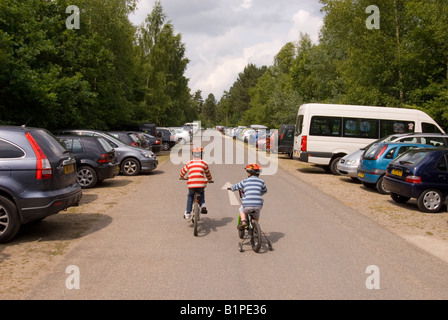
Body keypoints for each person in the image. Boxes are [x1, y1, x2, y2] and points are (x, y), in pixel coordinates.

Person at [179, 147, 213, 220]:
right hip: (201, 184)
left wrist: (182, 177)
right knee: (202, 191)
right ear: (201, 155)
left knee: (190, 196)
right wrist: (210, 180)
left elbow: (182, 172)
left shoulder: (189, 163)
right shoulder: (204, 163)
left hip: (191, 185)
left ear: (193, 155)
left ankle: (188, 213)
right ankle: (203, 205)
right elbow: (208, 174)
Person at [230, 164, 267, 229]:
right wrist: (258, 193)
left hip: (247, 204)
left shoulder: (245, 181)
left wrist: (231, 188)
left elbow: (236, 186)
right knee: (257, 213)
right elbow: (264, 190)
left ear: (249, 173)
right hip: (258, 204)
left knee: (241, 210)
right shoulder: (261, 181)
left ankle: (243, 221)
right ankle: (255, 226)